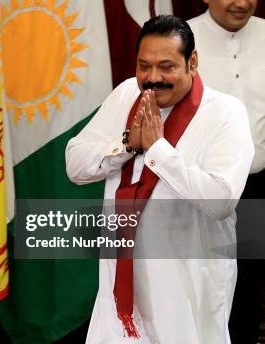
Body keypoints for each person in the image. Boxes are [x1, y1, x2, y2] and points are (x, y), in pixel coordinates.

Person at [66, 15, 253, 343]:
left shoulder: (226, 113)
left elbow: (221, 200)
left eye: (166, 66)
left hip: (186, 286)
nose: (153, 78)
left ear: (192, 62)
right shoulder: (127, 94)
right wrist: (126, 144)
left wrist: (158, 151)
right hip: (119, 284)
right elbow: (75, 165)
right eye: (144, 66)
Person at [188, 2, 265, 342]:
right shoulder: (179, 38)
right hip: (203, 191)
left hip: (258, 183)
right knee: (207, 290)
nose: (242, 3)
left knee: (248, 287)